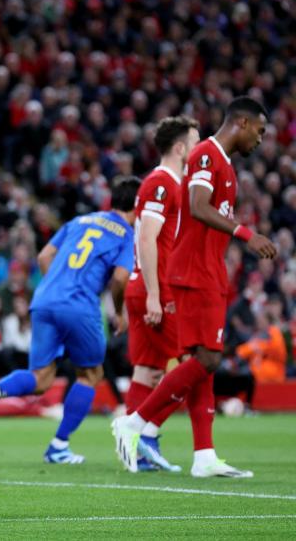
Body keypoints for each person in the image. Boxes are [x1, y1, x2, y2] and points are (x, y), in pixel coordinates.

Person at [113, 97, 277, 478]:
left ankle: (203, 455)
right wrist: (245, 233)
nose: (261, 139)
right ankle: (137, 422)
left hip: (207, 271)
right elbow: (198, 204)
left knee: (202, 361)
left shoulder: (226, 166)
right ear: (241, 122)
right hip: (193, 273)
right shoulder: (207, 154)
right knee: (206, 361)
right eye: (260, 130)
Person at [0, 176, 140, 464]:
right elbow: (121, 279)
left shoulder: (80, 221)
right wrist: (119, 312)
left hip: (45, 300)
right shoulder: (125, 234)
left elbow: (45, 256)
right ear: (137, 205)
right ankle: (59, 445)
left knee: (40, 378)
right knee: (91, 375)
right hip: (80, 306)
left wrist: (58, 288)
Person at [121, 116, 200, 472]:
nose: (200, 150)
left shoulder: (171, 183)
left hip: (145, 286)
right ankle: (145, 433)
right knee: (197, 364)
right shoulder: (161, 182)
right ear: (180, 148)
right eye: (196, 142)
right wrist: (155, 294)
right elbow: (146, 237)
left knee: (148, 371)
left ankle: (134, 448)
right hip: (157, 288)